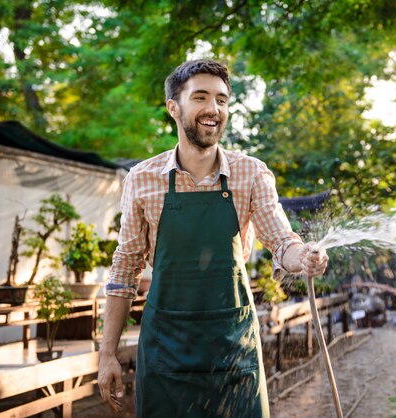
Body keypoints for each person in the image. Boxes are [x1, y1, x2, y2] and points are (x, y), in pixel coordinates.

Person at [97, 58, 328, 418]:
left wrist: (304, 257)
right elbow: (124, 271)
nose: (212, 109)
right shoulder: (143, 179)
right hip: (165, 352)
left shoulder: (251, 173)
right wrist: (107, 353)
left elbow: (282, 241)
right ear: (174, 107)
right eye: (200, 97)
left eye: (221, 100)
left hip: (233, 349)